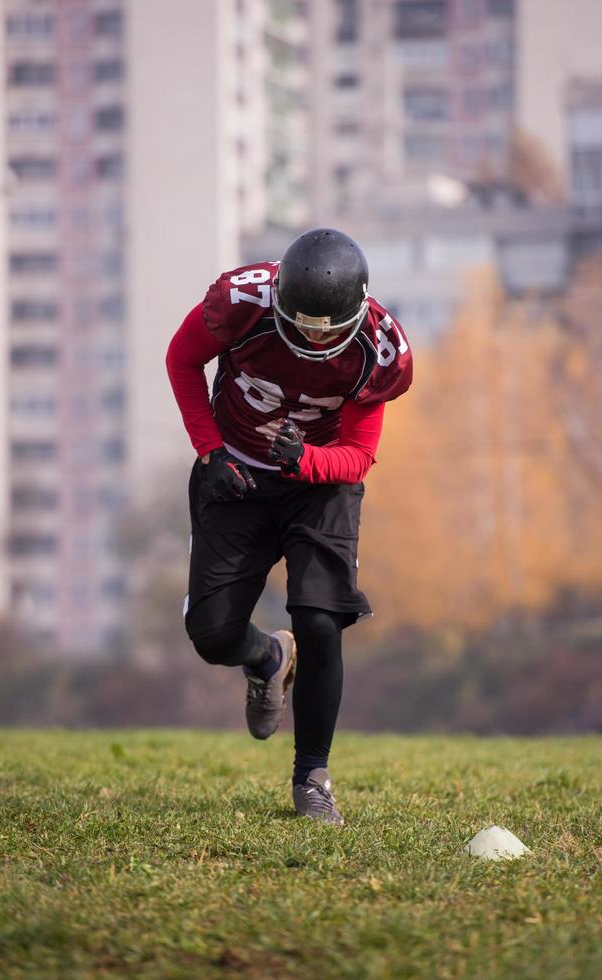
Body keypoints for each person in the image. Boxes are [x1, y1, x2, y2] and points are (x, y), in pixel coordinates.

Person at [166, 228, 412, 825]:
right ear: (280, 300)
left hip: (319, 481)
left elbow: (357, 456)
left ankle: (312, 777)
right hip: (237, 474)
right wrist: (210, 450)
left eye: (327, 330)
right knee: (213, 636)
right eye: (303, 324)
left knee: (322, 620)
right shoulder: (243, 303)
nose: (312, 339)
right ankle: (269, 658)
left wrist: (304, 460)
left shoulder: (377, 350)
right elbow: (183, 358)